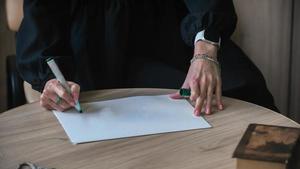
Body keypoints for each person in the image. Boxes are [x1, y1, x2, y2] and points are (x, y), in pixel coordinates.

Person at [16, 0, 277, 115]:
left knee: (241, 90)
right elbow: (42, 16)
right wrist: (51, 79)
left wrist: (205, 51)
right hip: (89, 42)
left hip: (165, 28)